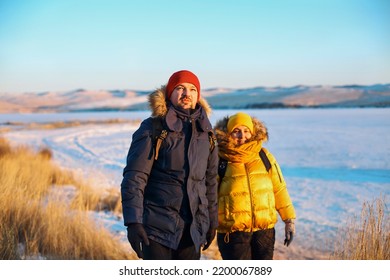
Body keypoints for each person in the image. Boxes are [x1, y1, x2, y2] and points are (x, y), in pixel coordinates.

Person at [121, 70, 219, 260]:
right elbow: (135, 177)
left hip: (192, 232)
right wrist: (133, 222)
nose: (186, 94)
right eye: (180, 88)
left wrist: (212, 221)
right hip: (156, 230)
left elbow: (210, 182)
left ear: (198, 95)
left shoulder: (206, 133)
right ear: (170, 94)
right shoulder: (154, 128)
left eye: (192, 89)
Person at [214, 112, 296, 260]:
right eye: (236, 131)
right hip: (232, 234)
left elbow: (279, 189)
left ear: (252, 133)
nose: (242, 136)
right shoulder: (220, 159)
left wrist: (289, 220)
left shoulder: (264, 156)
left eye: (246, 131)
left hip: (264, 232)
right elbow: (209, 196)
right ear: (228, 133)